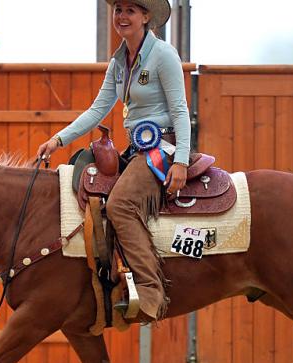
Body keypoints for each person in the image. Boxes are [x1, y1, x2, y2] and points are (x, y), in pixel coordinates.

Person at [37, 0, 191, 320]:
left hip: (164, 147)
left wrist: (182, 162)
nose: (121, 16)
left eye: (130, 11)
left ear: (146, 17)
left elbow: (179, 110)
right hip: (137, 149)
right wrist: (58, 140)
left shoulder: (163, 55)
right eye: (117, 9)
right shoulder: (118, 62)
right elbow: (97, 110)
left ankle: (150, 292)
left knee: (120, 204)